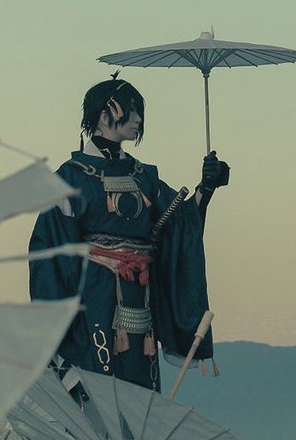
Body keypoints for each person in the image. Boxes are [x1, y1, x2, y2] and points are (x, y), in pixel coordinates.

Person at [29, 77, 229, 392]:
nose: (137, 120)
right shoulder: (70, 180)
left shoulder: (144, 177)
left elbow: (179, 226)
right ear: (104, 114)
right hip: (93, 297)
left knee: (140, 384)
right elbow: (50, 254)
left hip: (140, 295)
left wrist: (207, 186)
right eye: (131, 111)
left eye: (139, 113)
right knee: (96, 385)